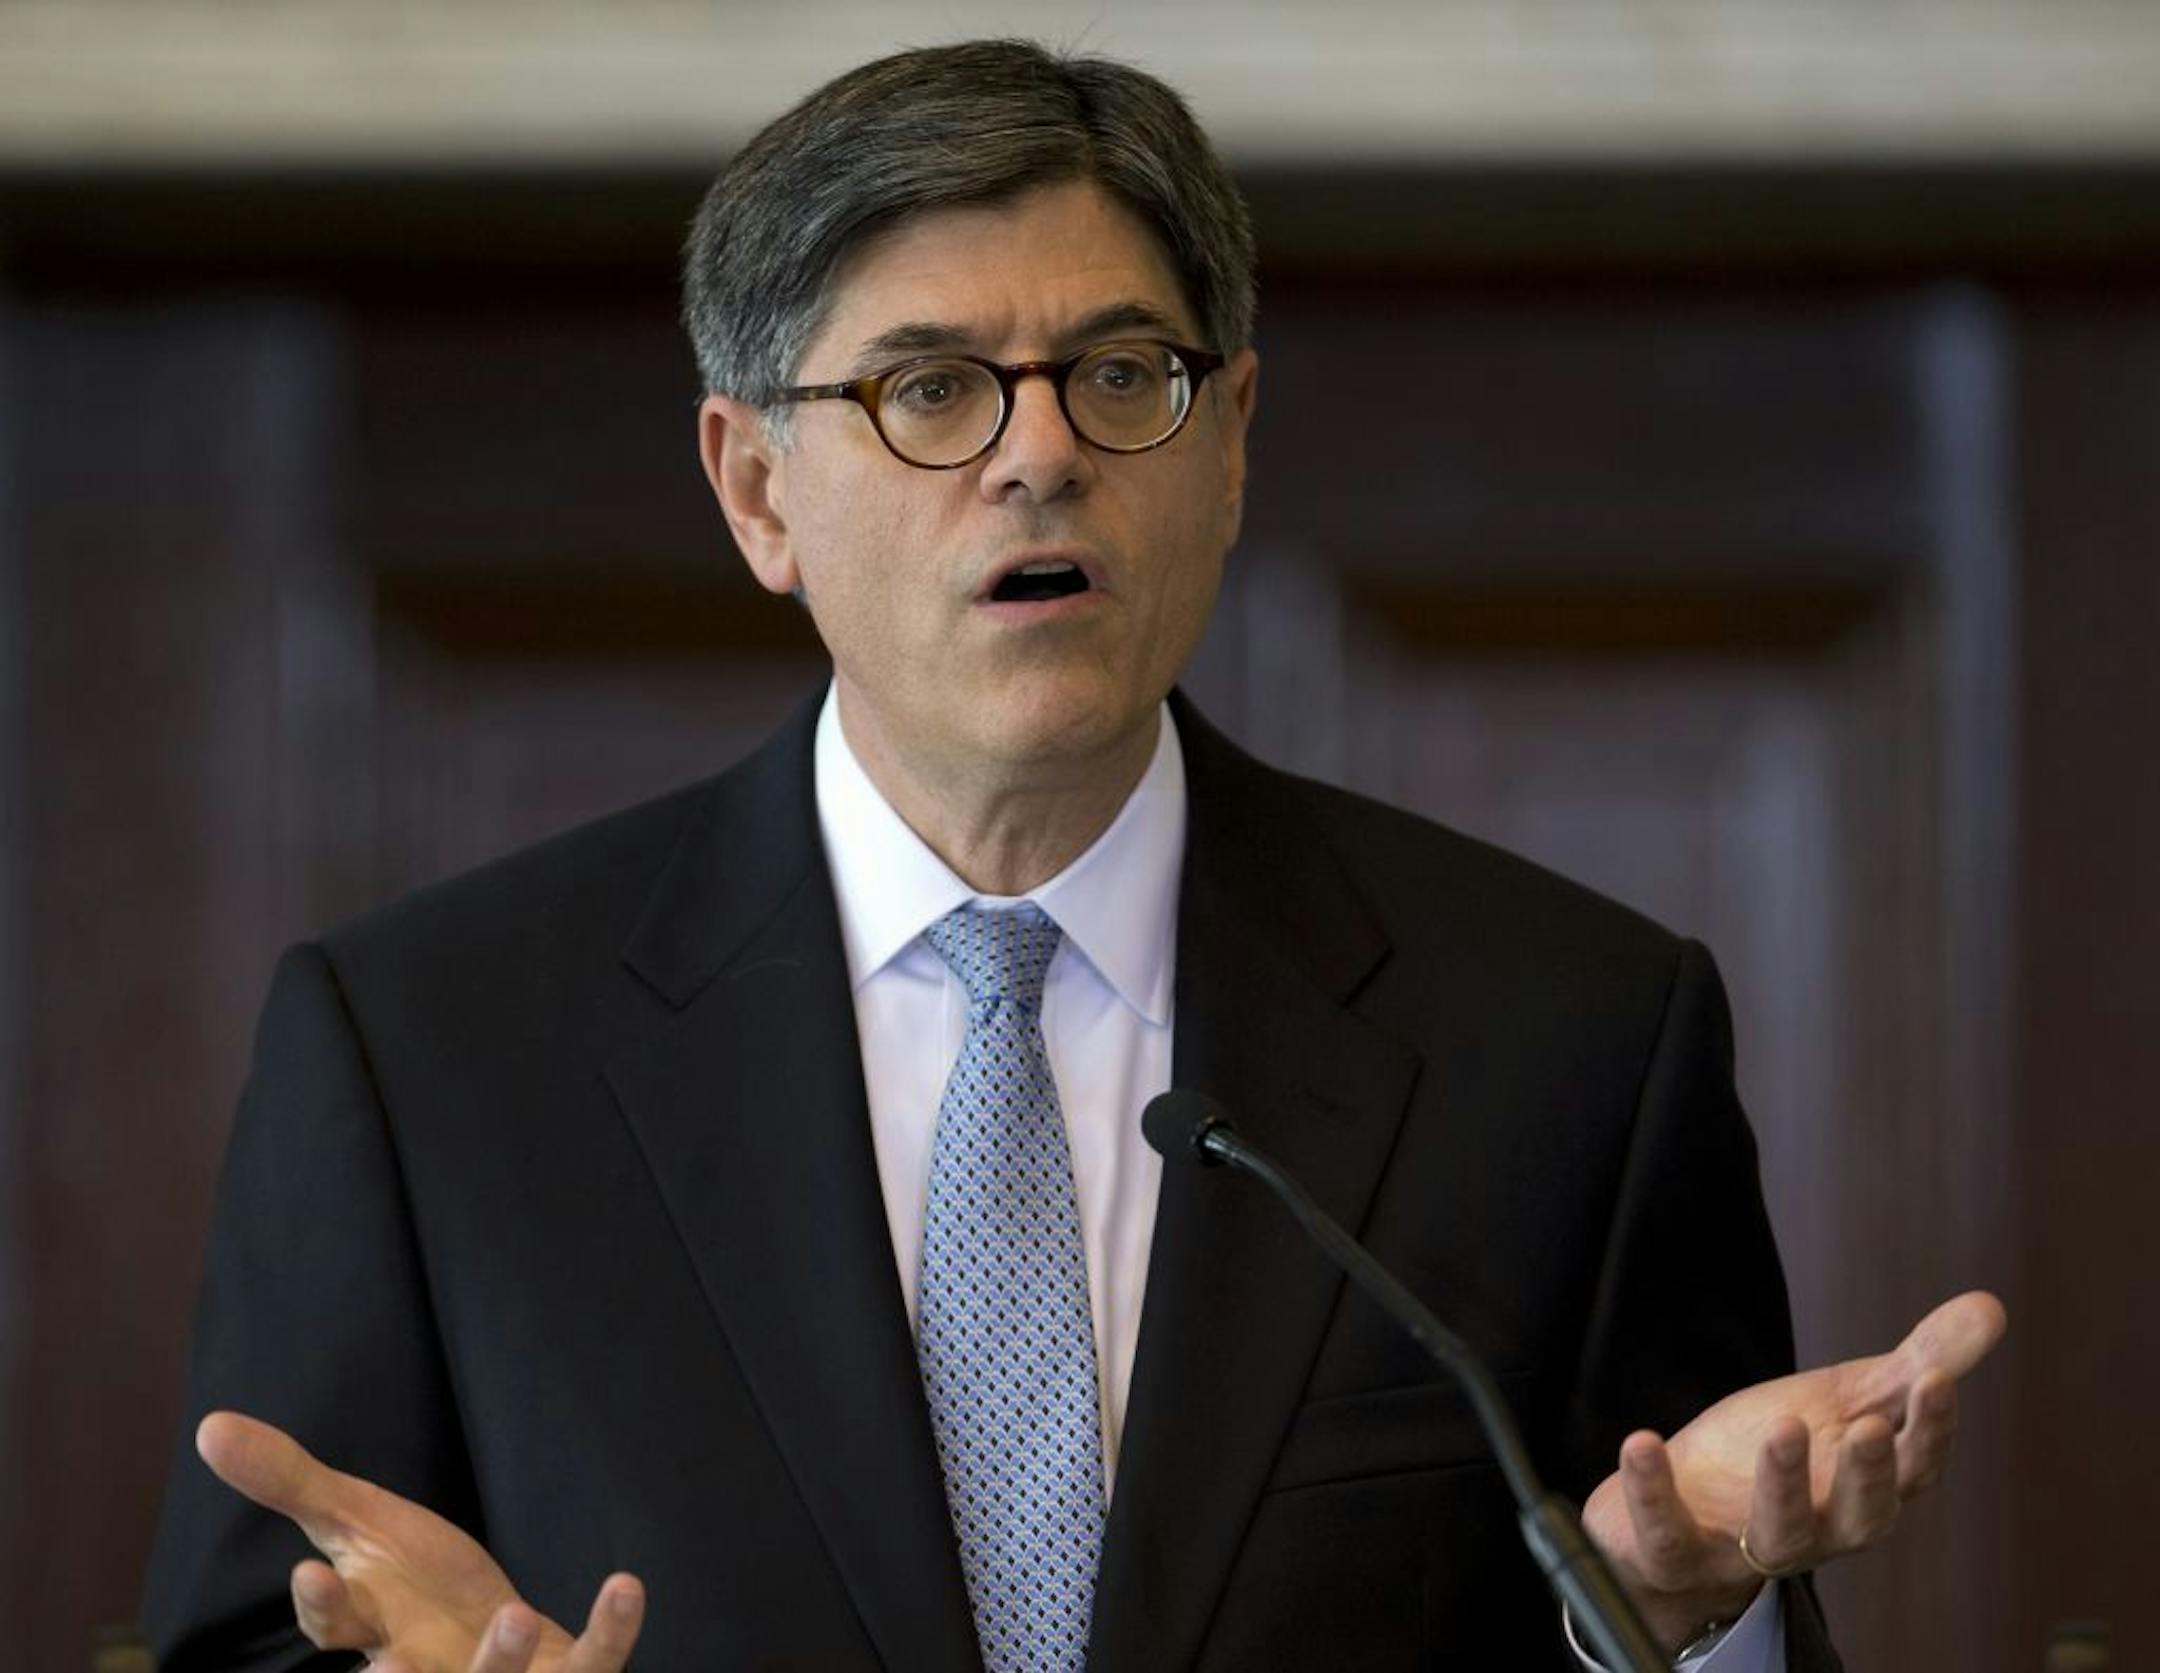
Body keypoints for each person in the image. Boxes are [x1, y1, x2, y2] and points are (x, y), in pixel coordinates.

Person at [137, 38, 2004, 1673]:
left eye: (1120, 373)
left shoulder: (1576, 1034)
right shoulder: (433, 1052)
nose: (1039, 454)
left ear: (1234, 441)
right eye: (930, 388)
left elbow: (1669, 1580)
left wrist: (1675, 1634)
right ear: (755, 487)